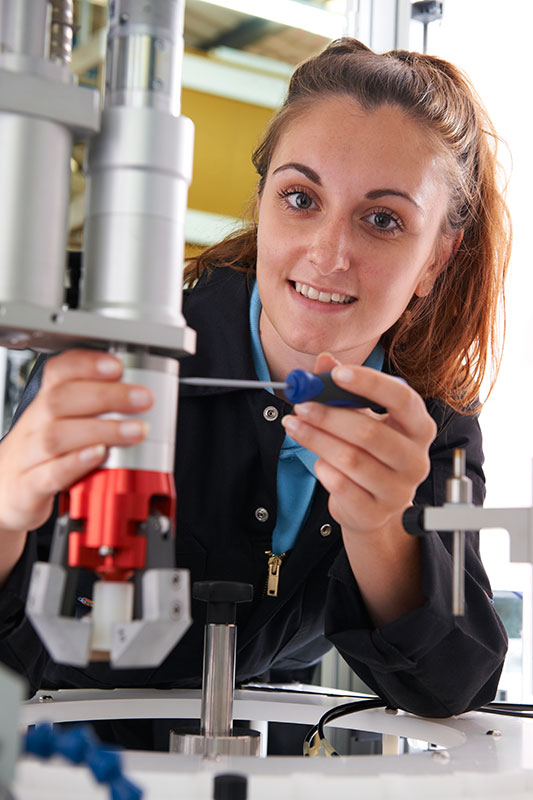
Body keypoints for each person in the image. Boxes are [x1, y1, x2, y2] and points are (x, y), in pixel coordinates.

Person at [0, 38, 510, 747]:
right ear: (264, 201)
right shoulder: (127, 355)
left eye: (383, 219)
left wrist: (377, 529)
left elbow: (453, 684)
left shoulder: (427, 423)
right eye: (301, 198)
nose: (328, 253)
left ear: (436, 258)